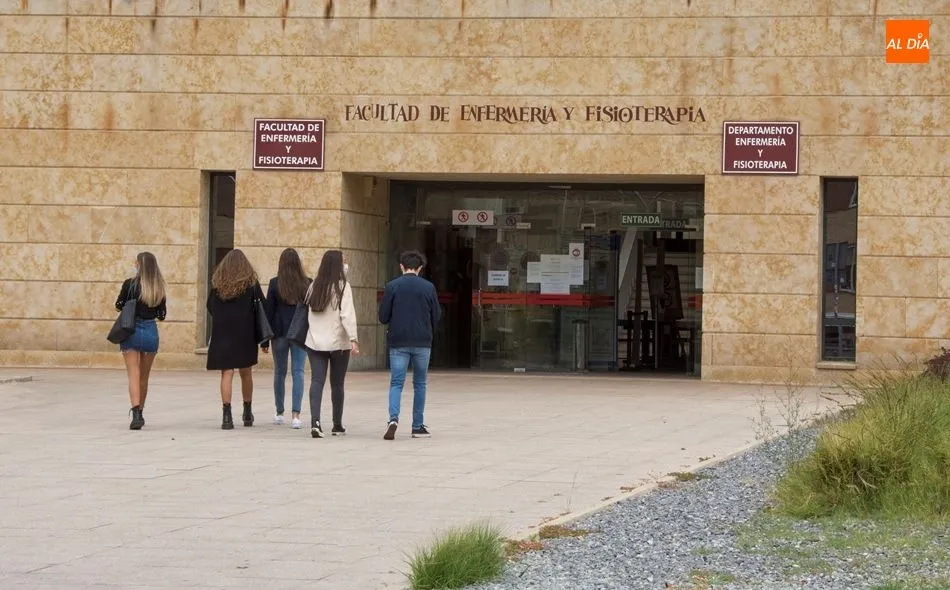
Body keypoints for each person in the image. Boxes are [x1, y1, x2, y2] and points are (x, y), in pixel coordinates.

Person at [378, 250, 441, 440]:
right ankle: (417, 426)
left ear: (401, 266)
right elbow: (436, 315)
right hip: (422, 341)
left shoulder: (392, 286)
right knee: (420, 383)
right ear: (420, 268)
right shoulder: (428, 287)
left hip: (398, 341)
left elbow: (383, 317)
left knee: (396, 382)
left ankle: (393, 419)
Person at [206, 249, 266, 430]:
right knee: (245, 373)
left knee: (227, 373)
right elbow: (261, 308)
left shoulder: (217, 286)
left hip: (223, 333)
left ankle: (226, 415)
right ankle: (247, 412)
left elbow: (210, 306)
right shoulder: (251, 285)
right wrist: (264, 340)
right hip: (244, 334)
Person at [304, 250, 359, 439]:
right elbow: (347, 315)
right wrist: (353, 339)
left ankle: (315, 422)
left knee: (316, 381)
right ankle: (337, 424)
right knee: (337, 384)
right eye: (344, 261)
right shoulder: (343, 287)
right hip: (338, 343)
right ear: (338, 265)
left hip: (314, 342)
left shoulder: (313, 286)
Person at [114, 252, 167, 430]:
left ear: (140, 265)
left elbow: (119, 305)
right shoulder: (158, 287)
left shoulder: (130, 284)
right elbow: (162, 315)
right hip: (151, 332)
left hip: (131, 330)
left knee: (133, 375)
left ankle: (136, 412)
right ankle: (142, 411)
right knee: (144, 376)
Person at [264, 248, 310, 429]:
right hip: (299, 334)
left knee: (279, 372)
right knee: (298, 372)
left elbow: (268, 312)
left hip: (279, 332)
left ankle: (279, 412)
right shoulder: (307, 283)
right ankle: (296, 415)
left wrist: (264, 341)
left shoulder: (275, 284)